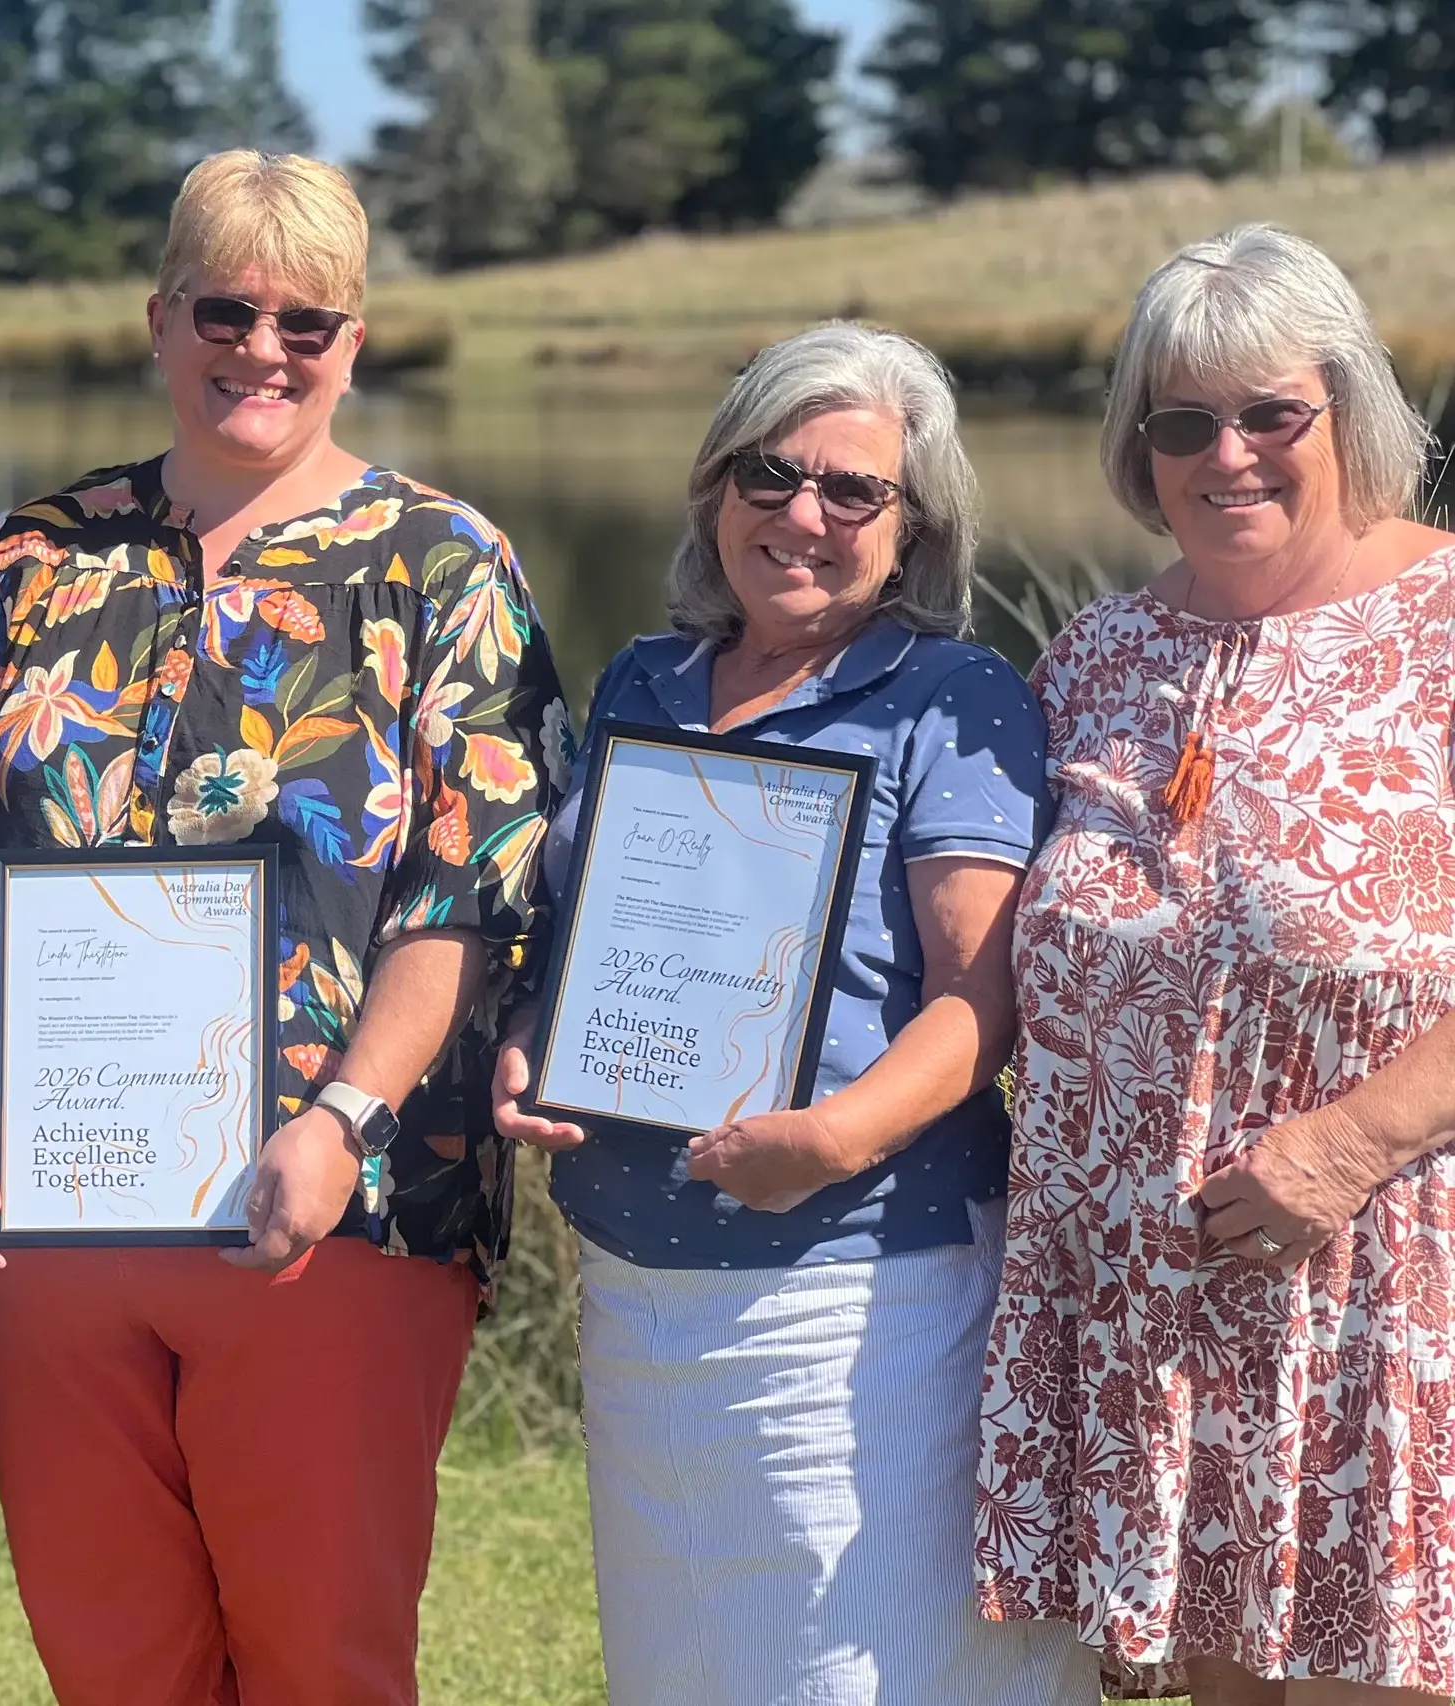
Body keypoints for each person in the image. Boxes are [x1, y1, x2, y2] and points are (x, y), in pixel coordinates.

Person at [0, 148, 567, 1706]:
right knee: (112, 1658)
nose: (262, 348)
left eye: (306, 323)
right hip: (58, 1208)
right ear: (160, 317)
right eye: (227, 307)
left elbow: (474, 885)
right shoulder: (27, 558)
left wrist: (345, 1115)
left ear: (354, 345)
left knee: (322, 1657)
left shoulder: (444, 567)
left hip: (340, 1210)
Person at [492, 322, 1095, 1705]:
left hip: (861, 1288)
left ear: (914, 525)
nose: (801, 514)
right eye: (769, 472)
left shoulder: (952, 698)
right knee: (686, 1671)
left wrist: (828, 1138)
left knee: (870, 1672)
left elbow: (978, 1002)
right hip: (638, 1289)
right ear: (716, 486)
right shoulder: (647, 678)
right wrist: (533, 1030)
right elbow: (581, 939)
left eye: (852, 491)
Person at [977, 226, 1455, 1704]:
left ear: (1351, 408)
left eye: (1271, 414)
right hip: (1153, 1318)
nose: (1226, 454)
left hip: (1382, 1290)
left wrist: (1351, 1141)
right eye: (1183, 422)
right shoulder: (1097, 657)